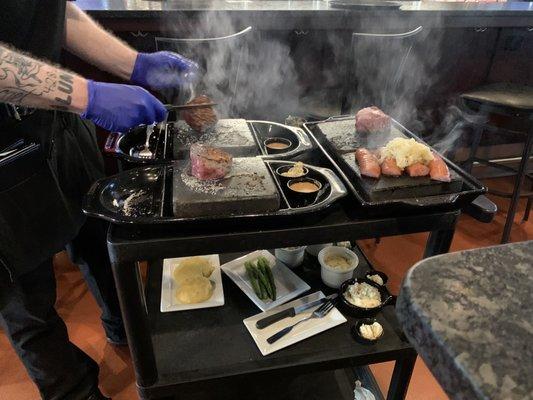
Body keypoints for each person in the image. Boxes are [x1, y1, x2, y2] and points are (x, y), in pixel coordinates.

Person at [0, 1, 198, 399]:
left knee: (100, 242)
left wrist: (135, 64)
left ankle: (125, 328)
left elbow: (53, 11)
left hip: (58, 122)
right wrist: (86, 94)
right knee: (28, 304)